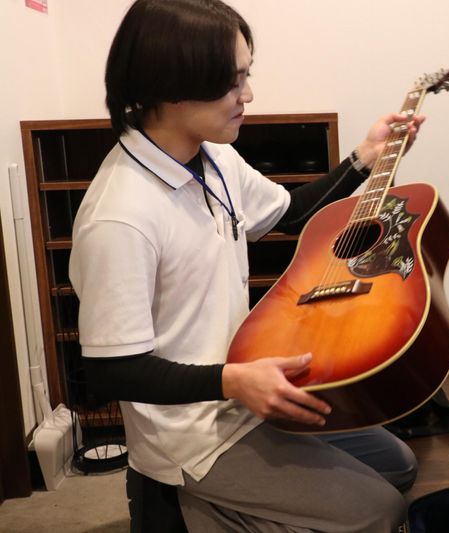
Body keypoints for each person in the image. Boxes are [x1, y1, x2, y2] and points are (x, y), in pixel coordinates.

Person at [68, 0, 426, 530]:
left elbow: (289, 213)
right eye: (233, 81)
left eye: (246, 75)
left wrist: (364, 158)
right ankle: (187, 504)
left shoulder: (213, 156)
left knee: (398, 465)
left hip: (248, 387)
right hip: (193, 433)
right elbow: (111, 369)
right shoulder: (119, 216)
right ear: (172, 86)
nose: (249, 95)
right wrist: (235, 382)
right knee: (381, 510)